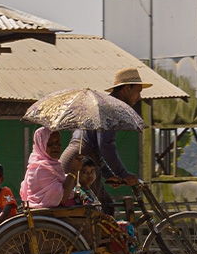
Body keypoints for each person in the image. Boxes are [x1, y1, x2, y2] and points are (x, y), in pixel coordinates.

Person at [60, 67, 151, 216]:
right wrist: (123, 174)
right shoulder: (110, 108)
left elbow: (98, 148)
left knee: (106, 207)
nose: (139, 97)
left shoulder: (105, 104)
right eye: (138, 91)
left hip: (82, 159)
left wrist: (109, 175)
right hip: (81, 161)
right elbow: (106, 145)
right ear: (127, 89)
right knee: (97, 213)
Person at [20, 127, 80, 209]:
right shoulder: (39, 169)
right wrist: (73, 171)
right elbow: (61, 198)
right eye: (49, 144)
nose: (55, 146)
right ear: (41, 145)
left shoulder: (54, 165)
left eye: (58, 142)